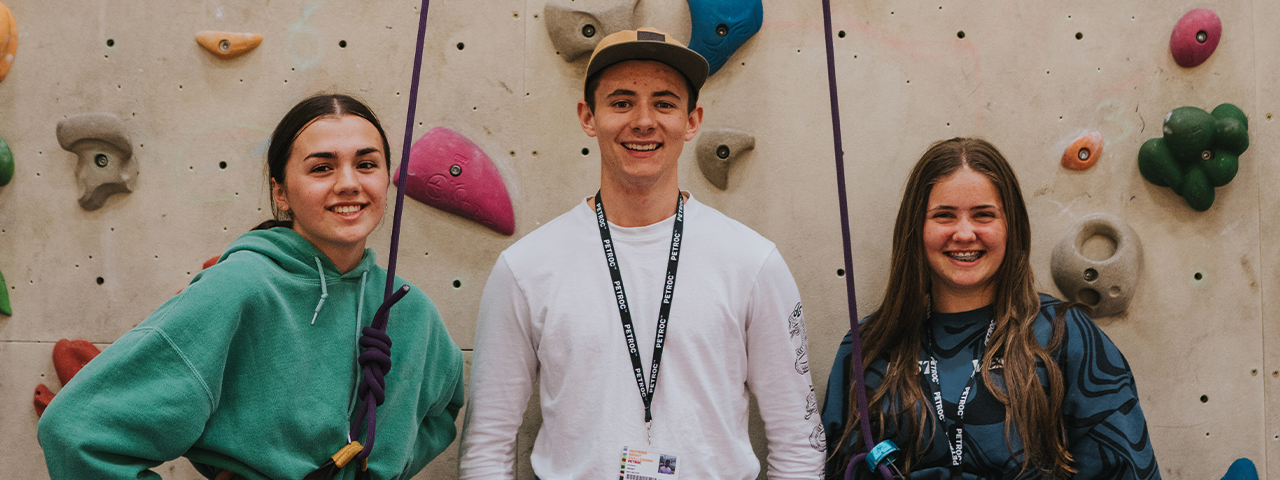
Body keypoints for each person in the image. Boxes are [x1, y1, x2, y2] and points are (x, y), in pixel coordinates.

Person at [459, 28, 824, 479]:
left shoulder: (752, 262)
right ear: (588, 116)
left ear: (692, 121)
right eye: (621, 101)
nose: (644, 121)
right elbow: (487, 443)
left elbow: (798, 441)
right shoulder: (526, 267)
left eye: (665, 103)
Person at [37, 94, 465, 479]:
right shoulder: (239, 288)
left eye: (366, 164)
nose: (349, 182)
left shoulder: (411, 310)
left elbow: (443, 409)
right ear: (281, 192)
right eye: (322, 167)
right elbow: (76, 430)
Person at [820, 137, 1160, 479]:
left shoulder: (1064, 336)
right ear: (915, 229)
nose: (965, 233)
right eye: (944, 216)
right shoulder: (869, 346)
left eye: (983, 215)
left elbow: (1126, 470)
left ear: (1011, 227)